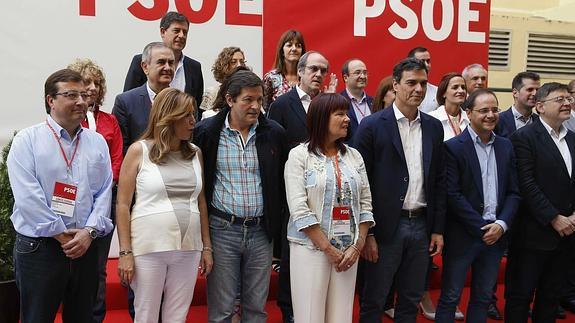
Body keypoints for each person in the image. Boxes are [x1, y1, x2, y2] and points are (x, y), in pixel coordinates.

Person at [7, 69, 114, 322]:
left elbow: (104, 191)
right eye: (71, 95)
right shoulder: (27, 140)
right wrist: (60, 233)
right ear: (50, 100)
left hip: (85, 245)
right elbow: (27, 197)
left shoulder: (96, 142)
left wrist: (89, 232)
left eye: (83, 95)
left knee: (82, 317)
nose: (81, 101)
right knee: (37, 317)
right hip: (40, 248)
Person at [193, 67, 288, 323]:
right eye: (248, 99)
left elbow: (281, 184)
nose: (256, 106)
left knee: (257, 309)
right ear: (230, 100)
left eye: (260, 100)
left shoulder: (274, 133)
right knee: (222, 310)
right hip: (222, 229)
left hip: (261, 232)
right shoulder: (207, 132)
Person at [354, 58, 446, 323]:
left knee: (410, 299)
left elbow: (439, 179)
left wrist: (438, 229)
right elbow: (361, 183)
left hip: (421, 225)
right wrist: (367, 232)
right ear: (395, 85)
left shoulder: (433, 126)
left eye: (423, 83)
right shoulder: (372, 125)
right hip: (383, 229)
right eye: (411, 83)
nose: (418, 89)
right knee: (374, 300)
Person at [116, 88, 213, 323]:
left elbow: (200, 202)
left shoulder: (195, 153)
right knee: (146, 314)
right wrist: (125, 252)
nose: (194, 121)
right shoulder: (139, 150)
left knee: (177, 317)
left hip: (189, 247)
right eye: (187, 115)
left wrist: (207, 247)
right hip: (148, 247)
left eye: (194, 114)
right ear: (169, 117)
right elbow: (122, 204)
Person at [284, 93, 374, 323]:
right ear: (322, 118)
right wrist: (327, 248)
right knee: (311, 316)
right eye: (340, 114)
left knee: (341, 317)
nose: (347, 119)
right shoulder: (299, 156)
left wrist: (358, 245)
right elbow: (299, 209)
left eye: (347, 114)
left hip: (348, 250)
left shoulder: (354, 156)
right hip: (310, 249)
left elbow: (365, 203)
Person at [435, 89, 520, 322]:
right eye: (484, 110)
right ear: (469, 113)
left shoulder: (506, 146)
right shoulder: (453, 147)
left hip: (496, 235)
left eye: (495, 110)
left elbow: (514, 191)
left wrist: (501, 225)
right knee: (450, 297)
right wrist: (481, 227)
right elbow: (452, 194)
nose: (490, 115)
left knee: (483, 297)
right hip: (465, 235)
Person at [268, 50, 332, 322]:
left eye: (323, 70)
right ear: (301, 71)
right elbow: (274, 150)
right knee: (291, 257)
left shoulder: (331, 105)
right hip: (292, 196)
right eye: (314, 69)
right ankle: (289, 312)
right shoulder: (282, 105)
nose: (318, 75)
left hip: (326, 196)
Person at [505, 82, 575, 323]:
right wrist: (554, 218)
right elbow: (526, 184)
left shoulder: (573, 138)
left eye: (568, 98)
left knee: (551, 297)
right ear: (540, 107)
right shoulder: (523, 138)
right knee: (520, 297)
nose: (567, 103)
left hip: (567, 234)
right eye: (560, 99)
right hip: (532, 235)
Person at [67, 58, 123, 323]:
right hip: (70, 204)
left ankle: (95, 317)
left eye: (96, 83)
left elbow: (116, 160)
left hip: (102, 203)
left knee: (98, 269)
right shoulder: (64, 122)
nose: (91, 87)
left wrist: (100, 190)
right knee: (68, 265)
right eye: (86, 81)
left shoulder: (110, 121)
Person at [123, 11, 204, 120]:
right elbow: (129, 100)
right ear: (163, 32)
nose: (181, 35)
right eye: (176, 31)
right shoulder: (141, 61)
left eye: (185, 32)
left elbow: (196, 105)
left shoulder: (194, 67)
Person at [113, 42, 175, 155]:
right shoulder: (125, 102)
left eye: (171, 63)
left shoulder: (183, 102)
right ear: (145, 67)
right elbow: (121, 149)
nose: (168, 67)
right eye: (161, 62)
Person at [263, 29, 306, 110]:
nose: (294, 49)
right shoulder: (271, 77)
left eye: (298, 46)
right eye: (289, 45)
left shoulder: (306, 77)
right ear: (282, 51)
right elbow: (265, 108)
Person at [200, 46, 246, 119]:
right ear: (224, 66)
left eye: (242, 61)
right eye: (233, 62)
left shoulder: (248, 91)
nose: (239, 65)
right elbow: (205, 119)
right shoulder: (212, 92)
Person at [495, 72, 540, 138]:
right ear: (515, 93)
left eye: (537, 90)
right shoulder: (498, 121)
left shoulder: (540, 121)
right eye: (530, 89)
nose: (535, 93)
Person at [429, 73, 470, 141]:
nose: (461, 91)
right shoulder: (431, 119)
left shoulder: (470, 119)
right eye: (455, 87)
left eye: (463, 87)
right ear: (443, 93)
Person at [340, 59, 373, 141]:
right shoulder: (338, 102)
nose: (362, 76)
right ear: (346, 77)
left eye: (365, 73)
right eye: (357, 73)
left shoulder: (374, 102)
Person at [408, 47, 438, 113]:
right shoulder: (400, 89)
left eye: (428, 61)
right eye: (422, 61)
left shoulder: (437, 92)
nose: (426, 65)